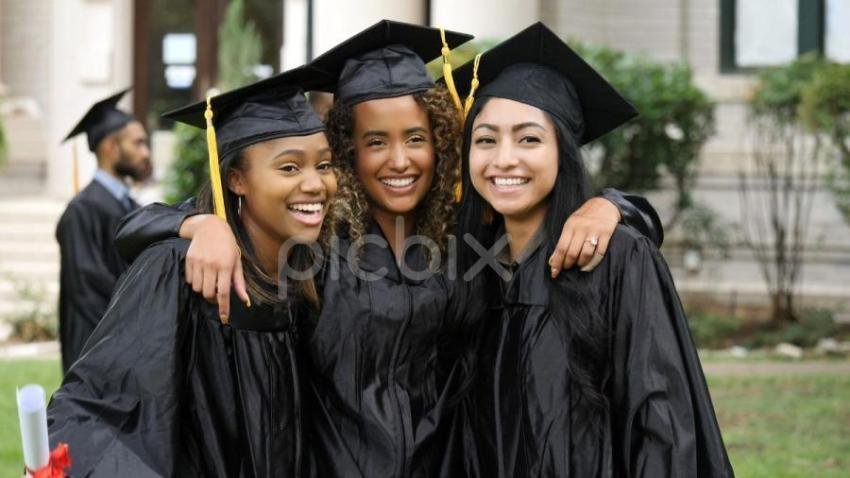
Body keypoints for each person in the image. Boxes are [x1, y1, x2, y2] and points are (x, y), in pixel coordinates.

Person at [113, 20, 661, 477]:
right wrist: (200, 226)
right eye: (376, 142)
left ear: (442, 140)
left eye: (416, 138)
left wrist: (609, 204)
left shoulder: (472, 238)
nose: (399, 161)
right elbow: (139, 226)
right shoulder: (314, 243)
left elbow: (570, 221)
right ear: (347, 150)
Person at [452, 23, 733, 477]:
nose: (503, 159)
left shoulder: (617, 258)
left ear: (562, 151)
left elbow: (660, 422)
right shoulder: (470, 265)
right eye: (485, 139)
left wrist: (617, 207)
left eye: (529, 139)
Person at [47, 71, 335, 476]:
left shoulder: (304, 273)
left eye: (325, 164)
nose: (315, 183)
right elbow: (96, 409)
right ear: (235, 179)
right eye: (289, 168)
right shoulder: (175, 270)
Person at [56, 88, 151, 372]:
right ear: (111, 147)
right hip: (98, 362)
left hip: (130, 357)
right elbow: (88, 296)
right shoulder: (81, 212)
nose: (146, 153)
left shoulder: (131, 205)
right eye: (138, 143)